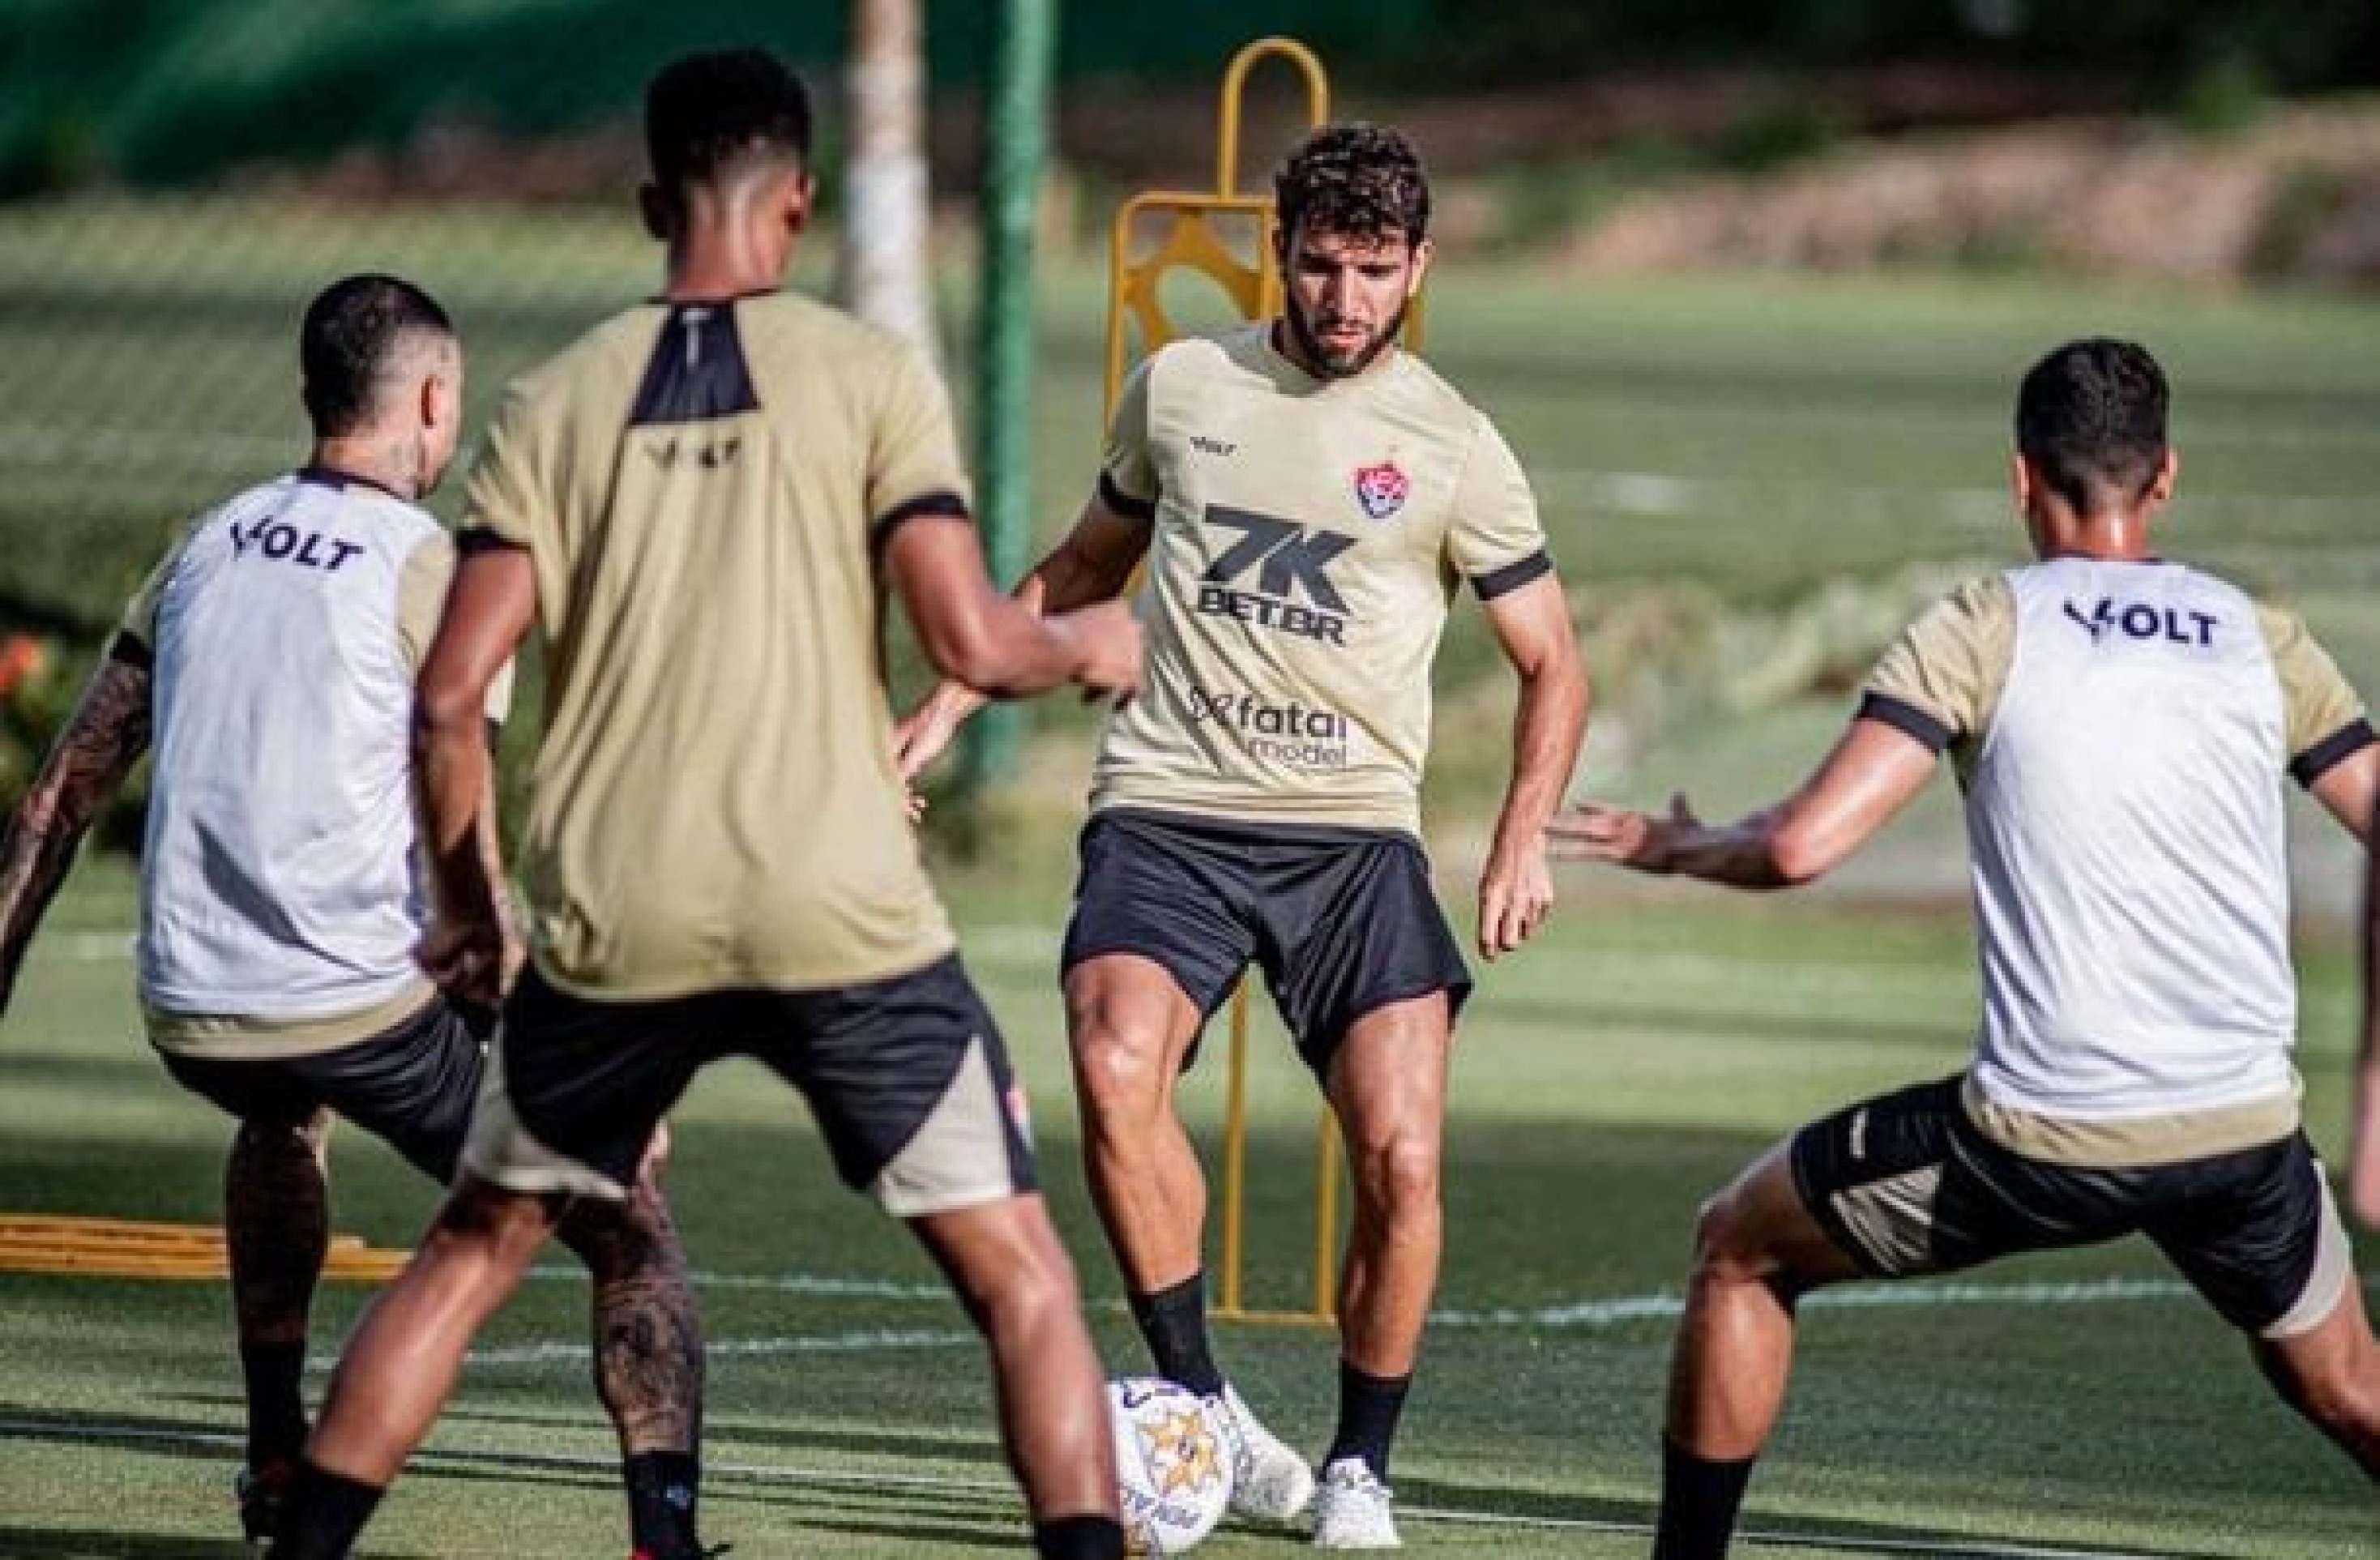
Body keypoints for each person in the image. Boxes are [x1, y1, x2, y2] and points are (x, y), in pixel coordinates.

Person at [263, 50, 1140, 1560]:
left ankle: (303, 1547)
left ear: (650, 199)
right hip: (838, 912)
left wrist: (471, 918)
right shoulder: (867, 377)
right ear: (798, 203)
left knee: (470, 1255)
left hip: (620, 922)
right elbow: (971, 644)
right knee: (1022, 1279)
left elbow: (451, 697)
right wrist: (1088, 643)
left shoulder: (551, 404)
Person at [1549, 337, 2380, 1558]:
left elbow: (1797, 848)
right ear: (2163, 479)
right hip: (2240, 1132)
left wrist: (1678, 847)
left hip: (2042, 1139)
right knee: (2346, 1386)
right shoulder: (2260, 636)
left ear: (2019, 479)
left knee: (1736, 1247)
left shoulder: (1984, 625)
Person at [898, 122, 1590, 1549]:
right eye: (1322, 265)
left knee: (1400, 1158)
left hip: (1353, 842)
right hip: (1167, 809)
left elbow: (1553, 662)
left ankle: (1358, 1468)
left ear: (1419, 269)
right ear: (1281, 252)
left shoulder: (1454, 444)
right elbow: (1081, 567)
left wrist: (1522, 837)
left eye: (1375, 271)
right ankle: (1201, 1403)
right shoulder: (1183, 384)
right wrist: (940, 712)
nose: (1344, 298)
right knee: (1109, 1061)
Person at [0, 274, 711, 1558]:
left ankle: (274, 1451)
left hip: (190, 1006)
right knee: (632, 1221)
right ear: (435, 401)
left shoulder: (209, 538)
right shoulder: (432, 567)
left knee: (281, 1108)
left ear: (311, 393)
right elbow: (469, 853)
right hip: (359, 1004)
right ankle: (662, 1535)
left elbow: (59, 794)